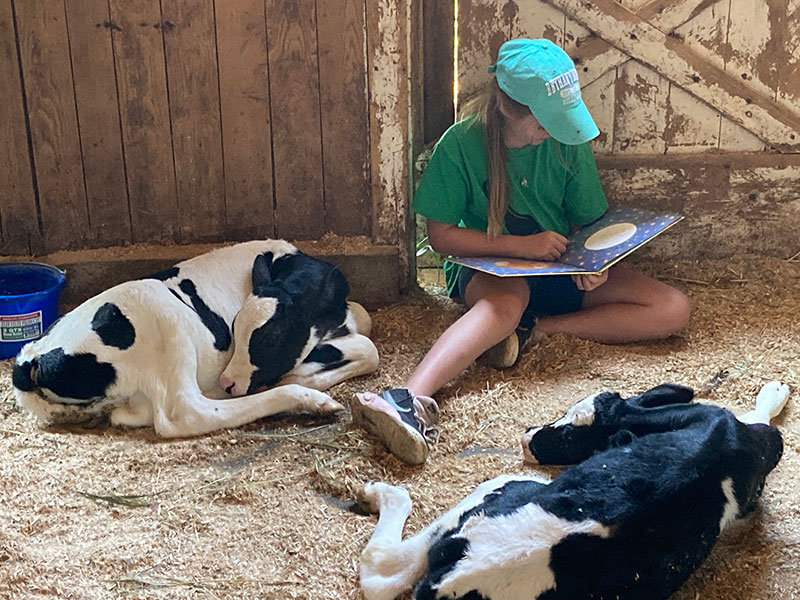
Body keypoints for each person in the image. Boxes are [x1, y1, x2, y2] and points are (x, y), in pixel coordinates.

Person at [350, 38, 691, 465]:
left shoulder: (566, 141)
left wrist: (599, 264)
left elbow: (590, 223)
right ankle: (408, 398)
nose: (552, 131)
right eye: (545, 123)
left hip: (557, 266)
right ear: (510, 110)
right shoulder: (460, 144)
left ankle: (535, 330)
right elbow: (441, 237)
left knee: (672, 308)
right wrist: (520, 246)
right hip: (488, 270)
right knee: (508, 300)